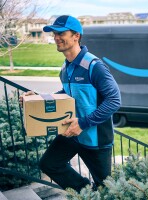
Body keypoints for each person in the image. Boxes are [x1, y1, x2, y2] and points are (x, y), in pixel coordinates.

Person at [20, 15, 121, 192]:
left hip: (95, 138)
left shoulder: (94, 66)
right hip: (71, 133)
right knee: (50, 164)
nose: (56, 37)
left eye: (61, 33)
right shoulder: (66, 68)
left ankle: (96, 193)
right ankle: (85, 191)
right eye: (54, 33)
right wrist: (39, 98)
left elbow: (114, 100)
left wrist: (83, 123)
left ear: (76, 36)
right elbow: (68, 94)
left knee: (106, 188)